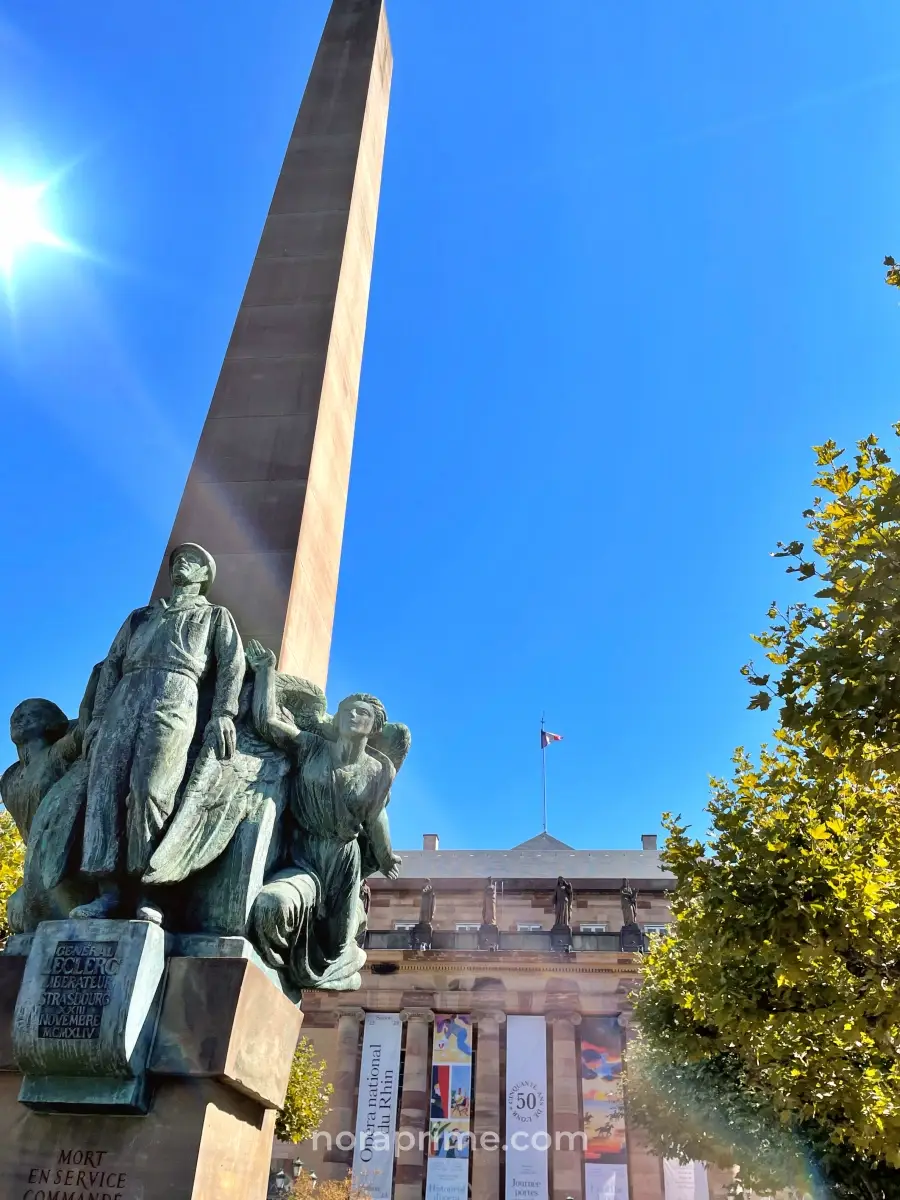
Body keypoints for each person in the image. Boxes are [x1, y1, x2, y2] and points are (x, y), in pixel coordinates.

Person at [73, 543, 243, 923]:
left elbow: (232, 664)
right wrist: (99, 716)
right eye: (179, 558)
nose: (184, 562)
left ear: (205, 575)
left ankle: (151, 890)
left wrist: (222, 713)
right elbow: (111, 665)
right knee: (106, 790)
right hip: (126, 694)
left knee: (153, 790)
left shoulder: (214, 616)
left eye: (195, 559)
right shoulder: (140, 616)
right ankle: (108, 891)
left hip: (176, 690)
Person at [245, 639, 405, 990]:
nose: (352, 715)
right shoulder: (311, 746)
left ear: (375, 726)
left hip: (342, 862)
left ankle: (345, 940)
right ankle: (267, 973)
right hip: (303, 854)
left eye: (362, 712)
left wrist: (385, 853)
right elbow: (268, 720)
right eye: (347, 709)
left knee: (334, 945)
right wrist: (265, 671)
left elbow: (375, 816)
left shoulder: (380, 770)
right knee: (272, 905)